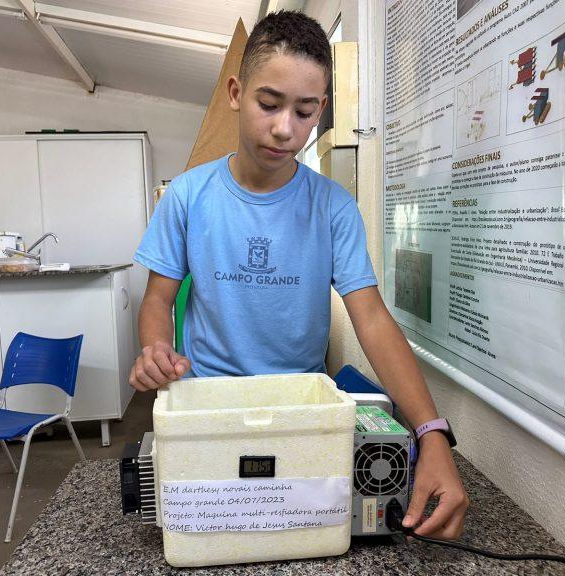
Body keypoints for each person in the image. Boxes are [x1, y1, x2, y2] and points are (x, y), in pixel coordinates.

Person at [131, 10, 469, 539]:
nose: (285, 128)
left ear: (322, 111)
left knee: (302, 536)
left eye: (305, 111)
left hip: (299, 411)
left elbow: (373, 319)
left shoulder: (333, 207)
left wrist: (431, 434)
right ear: (236, 92)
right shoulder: (188, 196)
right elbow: (157, 299)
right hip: (208, 409)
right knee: (210, 537)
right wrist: (155, 349)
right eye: (269, 103)